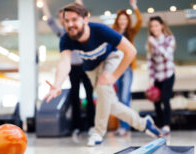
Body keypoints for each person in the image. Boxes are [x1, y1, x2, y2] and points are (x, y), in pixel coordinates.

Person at [45, 3, 162, 146]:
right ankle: (144, 123)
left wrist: (114, 76)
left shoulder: (101, 30)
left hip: (111, 58)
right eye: (67, 21)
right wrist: (57, 85)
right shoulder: (67, 39)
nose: (70, 24)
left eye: (74, 19)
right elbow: (64, 63)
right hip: (91, 68)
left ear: (85, 19)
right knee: (110, 104)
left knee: (102, 88)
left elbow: (131, 51)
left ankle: (98, 132)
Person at [41, 0, 95, 134]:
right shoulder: (62, 33)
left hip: (86, 66)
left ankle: (91, 126)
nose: (65, 20)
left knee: (89, 96)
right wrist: (43, 5)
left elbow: (81, 10)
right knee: (74, 97)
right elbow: (49, 21)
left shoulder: (80, 29)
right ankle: (77, 126)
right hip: (72, 68)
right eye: (63, 18)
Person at [112, 0, 142, 136]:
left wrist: (134, 7)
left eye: (125, 19)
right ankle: (122, 126)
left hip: (127, 69)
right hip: (115, 70)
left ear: (127, 21)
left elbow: (140, 21)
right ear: (117, 21)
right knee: (118, 99)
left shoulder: (131, 32)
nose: (123, 21)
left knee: (125, 97)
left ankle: (125, 127)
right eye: (120, 19)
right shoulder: (113, 33)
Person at [147, 16, 175, 136]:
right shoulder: (150, 43)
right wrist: (151, 80)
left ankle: (167, 125)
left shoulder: (169, 39)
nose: (154, 28)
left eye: (156, 25)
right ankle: (160, 125)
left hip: (168, 74)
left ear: (162, 25)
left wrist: (156, 44)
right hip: (157, 76)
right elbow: (150, 63)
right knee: (156, 101)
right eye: (152, 26)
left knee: (165, 99)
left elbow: (167, 56)